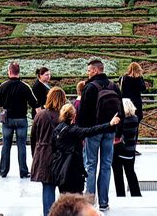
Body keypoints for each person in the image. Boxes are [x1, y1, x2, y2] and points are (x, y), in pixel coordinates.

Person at [77, 57, 123, 210]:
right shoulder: (114, 86)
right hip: (110, 131)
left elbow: (82, 114)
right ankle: (104, 202)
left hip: (94, 132)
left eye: (89, 70)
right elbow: (121, 111)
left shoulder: (90, 88)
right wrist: (118, 132)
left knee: (90, 165)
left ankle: (90, 203)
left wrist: (82, 133)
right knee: (106, 166)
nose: (88, 73)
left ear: (96, 70)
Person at [52, 103, 121, 196]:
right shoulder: (73, 130)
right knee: (76, 195)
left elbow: (53, 147)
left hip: (60, 166)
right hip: (73, 167)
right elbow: (91, 130)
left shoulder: (58, 129)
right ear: (74, 115)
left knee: (64, 195)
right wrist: (109, 124)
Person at [0, 61, 38, 179]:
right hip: (21, 119)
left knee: (6, 145)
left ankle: (3, 171)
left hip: (7, 119)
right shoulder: (25, 86)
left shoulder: (3, 86)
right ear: (19, 72)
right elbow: (34, 102)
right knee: (22, 146)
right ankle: (23, 171)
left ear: (9, 72)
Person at [31, 86, 68, 216]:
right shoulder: (66, 116)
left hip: (44, 154)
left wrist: (35, 155)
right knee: (65, 191)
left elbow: (33, 137)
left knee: (47, 187)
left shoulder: (40, 115)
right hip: (63, 155)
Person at [112, 98, 141, 198]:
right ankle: (136, 194)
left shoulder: (121, 122)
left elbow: (116, 135)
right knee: (131, 173)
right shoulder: (135, 119)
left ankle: (121, 195)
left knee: (118, 175)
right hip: (130, 151)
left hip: (119, 151)